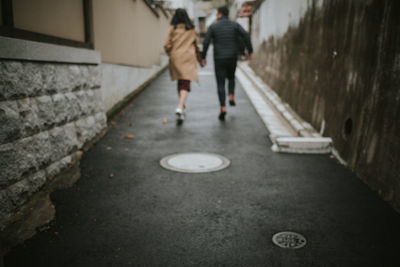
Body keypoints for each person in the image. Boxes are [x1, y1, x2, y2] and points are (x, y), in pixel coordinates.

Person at [202, 6, 253, 121]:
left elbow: (206, 41)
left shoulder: (213, 26)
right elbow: (245, 35)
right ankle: (231, 95)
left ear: (219, 14)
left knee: (220, 83)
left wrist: (203, 57)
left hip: (219, 58)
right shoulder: (234, 25)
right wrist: (250, 51)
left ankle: (223, 108)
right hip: (232, 57)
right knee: (231, 78)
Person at [164, 8, 203, 123]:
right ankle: (181, 106)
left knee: (180, 81)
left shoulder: (173, 28)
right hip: (188, 57)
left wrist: (170, 54)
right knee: (186, 82)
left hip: (176, 57)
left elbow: (166, 45)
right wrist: (200, 59)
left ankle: (181, 107)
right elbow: (196, 46)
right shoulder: (191, 29)